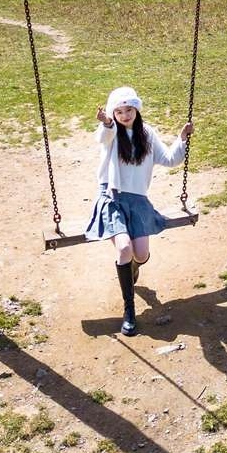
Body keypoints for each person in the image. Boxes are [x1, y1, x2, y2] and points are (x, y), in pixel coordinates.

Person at [85, 87, 194, 336]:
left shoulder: (146, 133)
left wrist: (182, 138)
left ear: (136, 109)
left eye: (129, 110)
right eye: (119, 112)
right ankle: (129, 310)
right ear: (113, 113)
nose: (124, 115)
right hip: (111, 198)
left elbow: (169, 159)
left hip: (137, 201)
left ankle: (132, 267)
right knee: (124, 248)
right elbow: (103, 136)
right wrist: (106, 122)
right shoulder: (111, 132)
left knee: (141, 254)